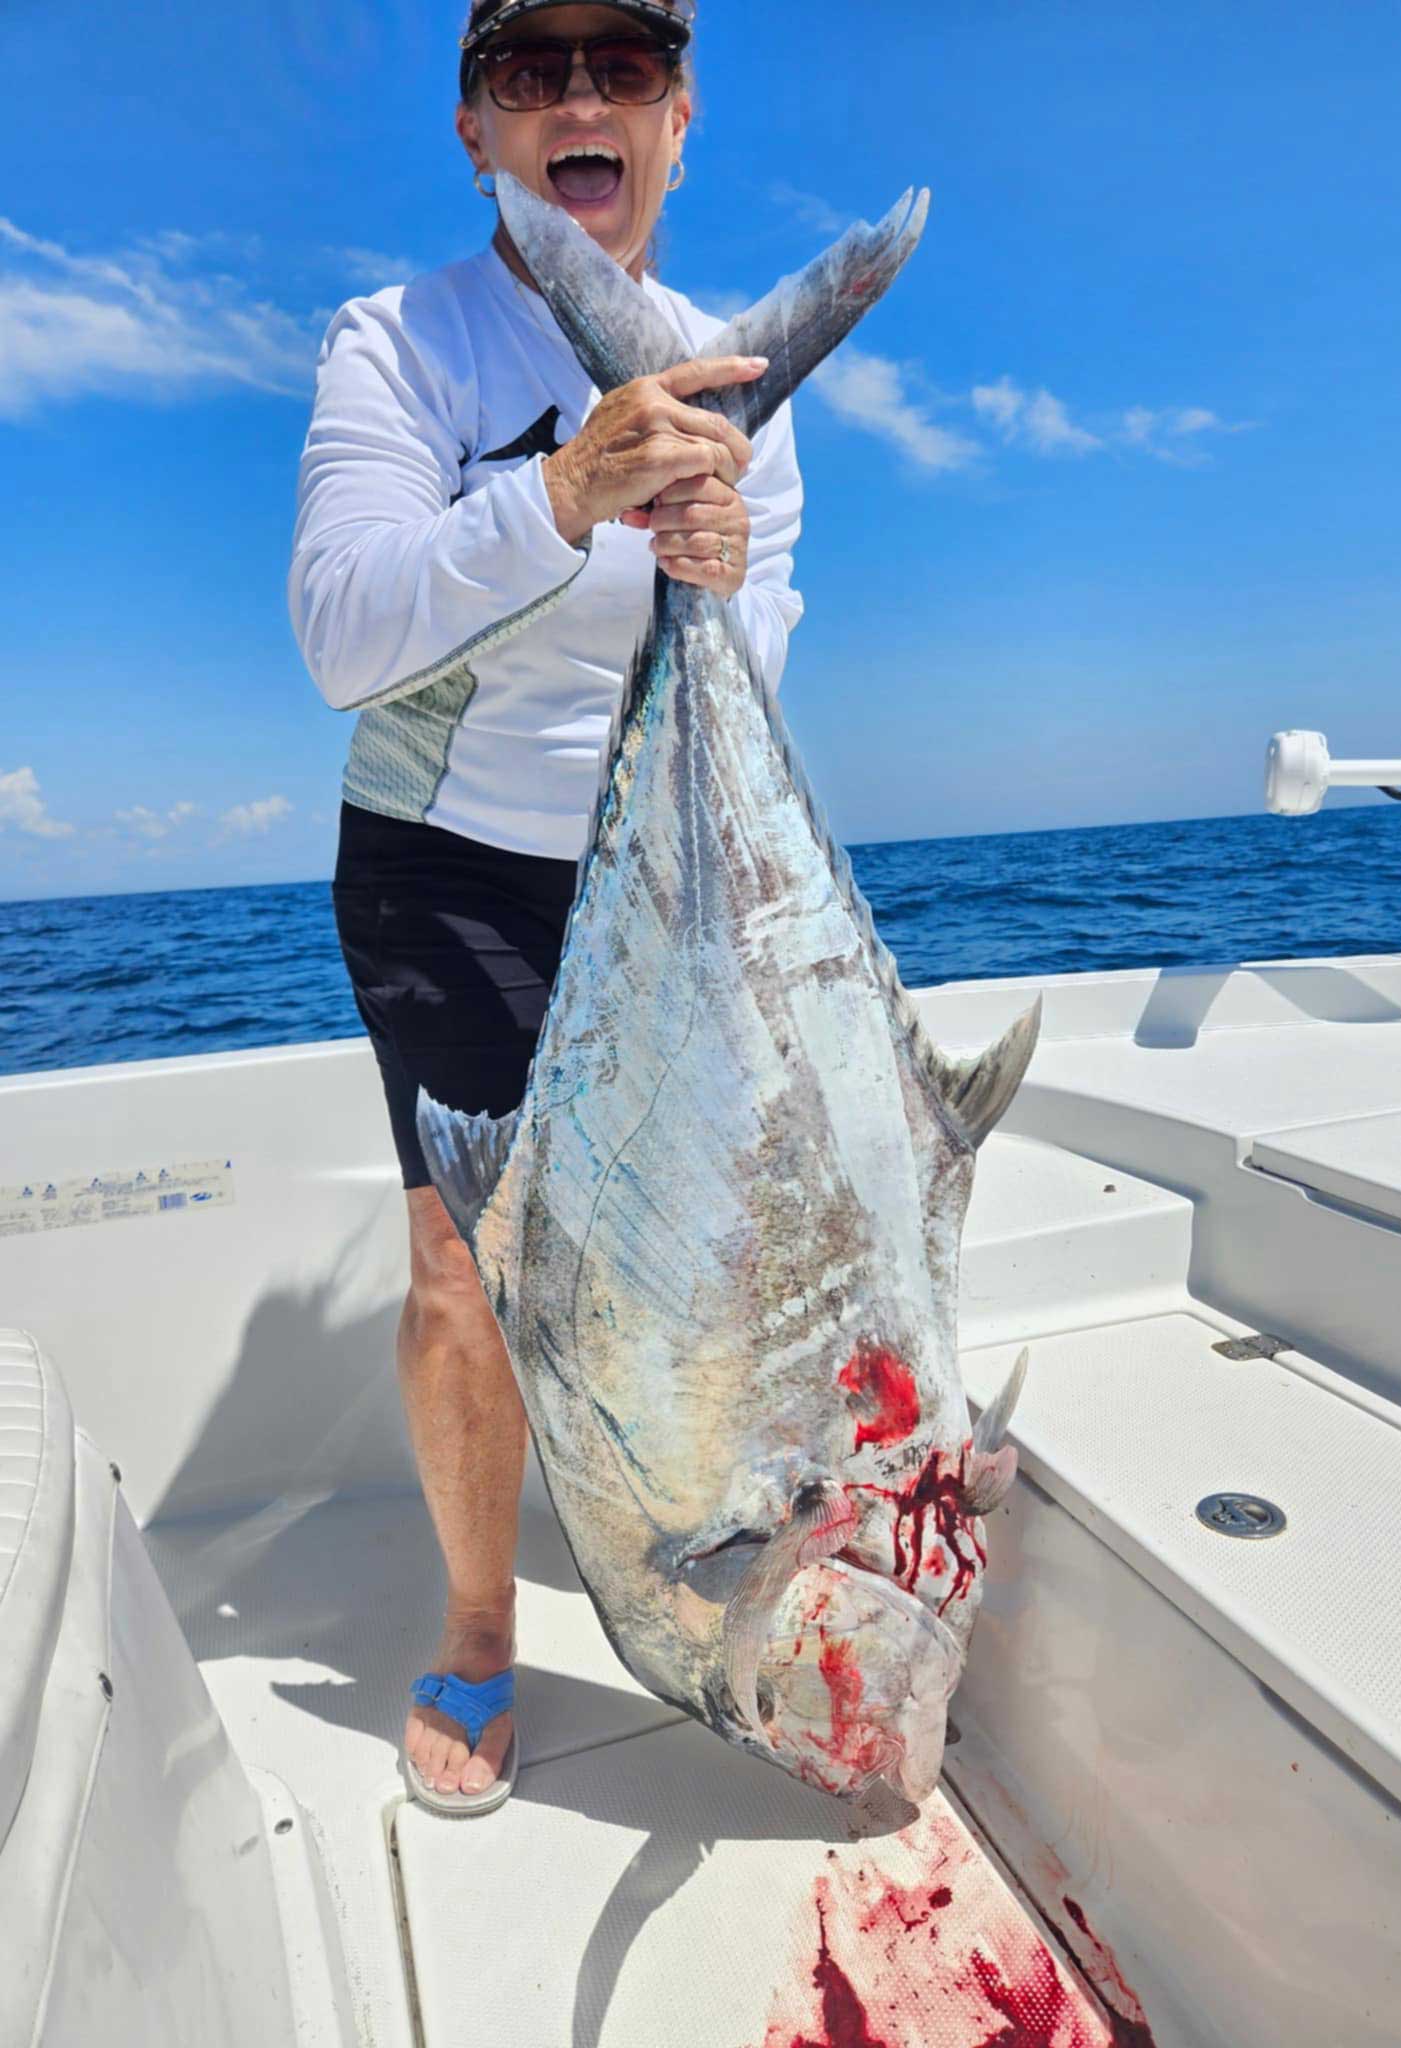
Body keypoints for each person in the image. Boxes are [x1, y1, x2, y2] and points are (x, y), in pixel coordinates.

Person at [287, 0, 803, 1814]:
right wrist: (564, 492)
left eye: (625, 65)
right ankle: (485, 1623)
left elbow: (760, 675)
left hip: (663, 870)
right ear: (473, 126)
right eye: (531, 69)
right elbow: (344, 631)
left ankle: (702, 1553)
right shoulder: (400, 344)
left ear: (681, 115)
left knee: (699, 1244)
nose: (580, 97)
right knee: (467, 1257)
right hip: (448, 858)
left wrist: (721, 581)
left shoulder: (742, 377)